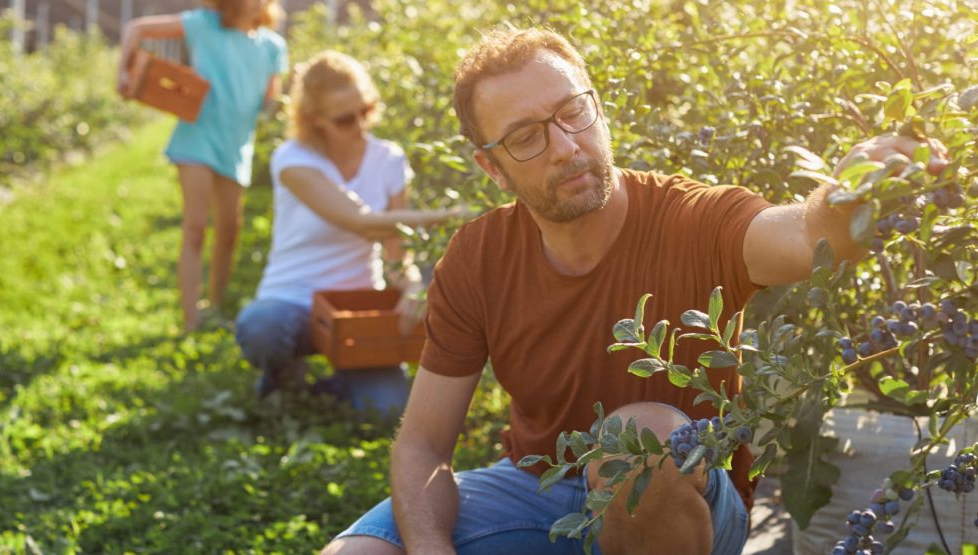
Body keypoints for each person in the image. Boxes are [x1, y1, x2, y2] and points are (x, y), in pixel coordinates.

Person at [322, 26, 949, 555]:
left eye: (573, 111)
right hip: (538, 491)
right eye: (525, 137)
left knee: (640, 439)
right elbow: (424, 443)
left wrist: (851, 191)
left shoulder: (692, 218)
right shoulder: (477, 255)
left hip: (683, 506)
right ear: (491, 165)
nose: (565, 146)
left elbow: (809, 235)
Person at [235, 51, 465, 418]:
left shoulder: (388, 159)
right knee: (262, 327)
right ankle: (285, 371)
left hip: (357, 304)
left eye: (366, 109)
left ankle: (315, 391)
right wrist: (450, 217)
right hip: (291, 300)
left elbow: (395, 249)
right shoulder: (293, 159)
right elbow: (362, 221)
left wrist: (410, 284)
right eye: (345, 118)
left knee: (386, 409)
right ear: (315, 120)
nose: (360, 124)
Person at [117, 0, 288, 333]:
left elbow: (271, 102)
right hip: (196, 139)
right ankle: (190, 320)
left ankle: (215, 305)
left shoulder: (272, 46)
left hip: (237, 146)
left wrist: (283, 104)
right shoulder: (203, 25)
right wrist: (124, 70)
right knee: (195, 228)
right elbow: (136, 29)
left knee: (229, 230)